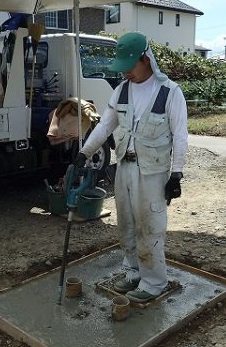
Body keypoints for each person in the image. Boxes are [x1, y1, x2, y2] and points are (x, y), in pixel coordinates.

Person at [73, 32, 188, 303]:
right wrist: (84, 153)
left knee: (150, 226)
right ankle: (133, 272)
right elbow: (105, 125)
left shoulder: (170, 92)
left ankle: (153, 283)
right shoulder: (122, 90)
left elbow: (181, 135)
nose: (126, 72)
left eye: (130, 66)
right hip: (124, 165)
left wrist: (177, 173)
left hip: (153, 171)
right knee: (126, 225)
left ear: (146, 59)